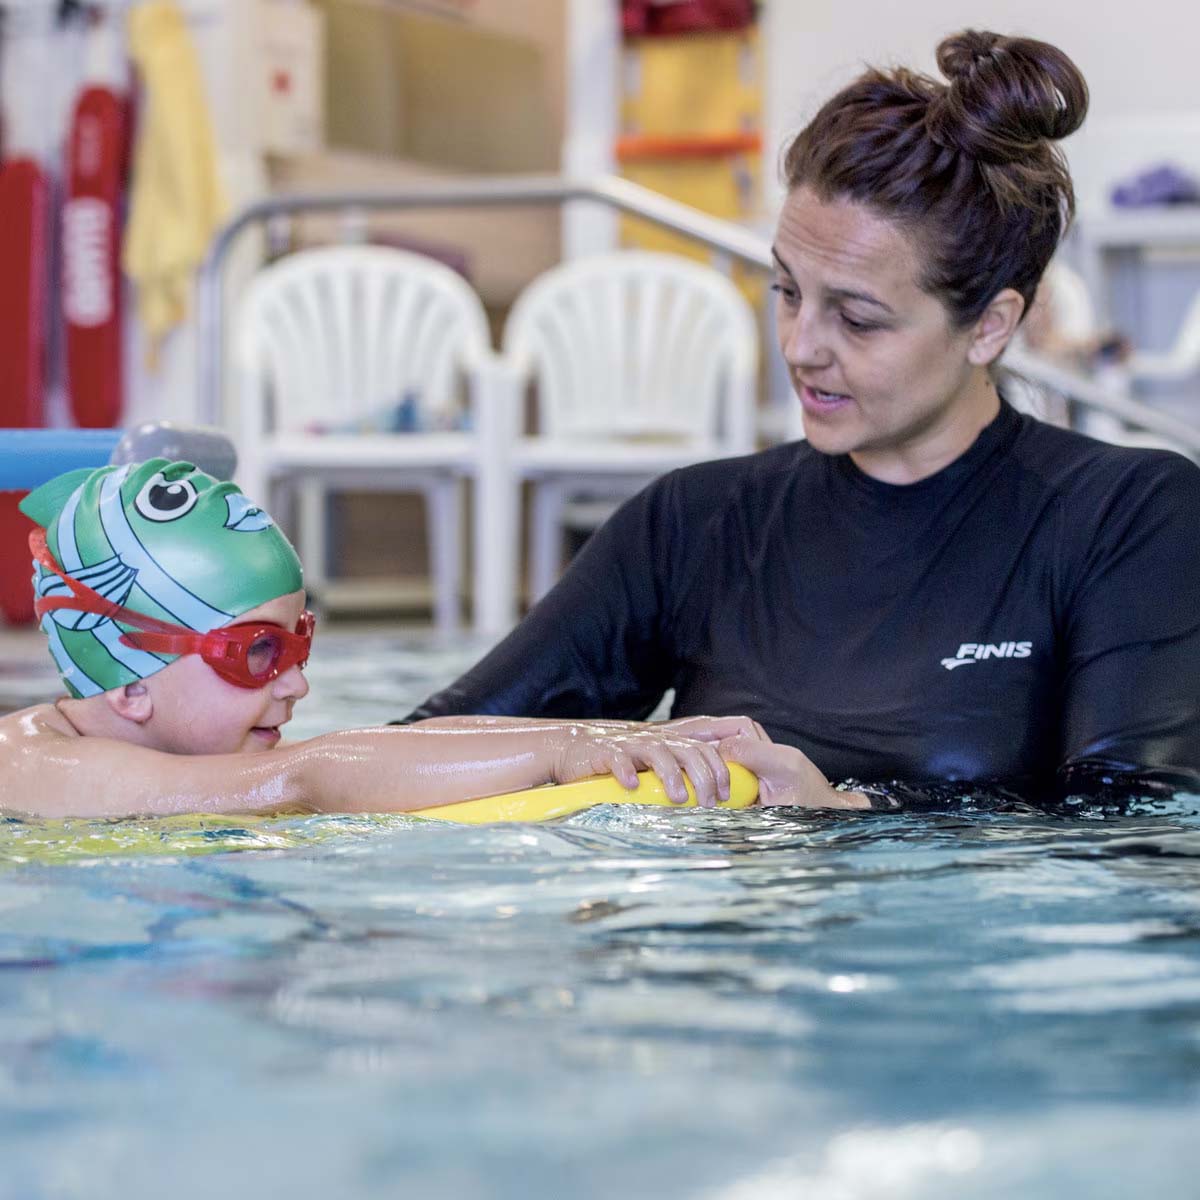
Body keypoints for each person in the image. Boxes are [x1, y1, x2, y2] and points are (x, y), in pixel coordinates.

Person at [403, 29, 1200, 804]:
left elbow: (1140, 828)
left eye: (856, 319)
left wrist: (851, 814)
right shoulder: (695, 523)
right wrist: (572, 747)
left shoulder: (1124, 517)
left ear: (990, 326)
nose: (800, 345)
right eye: (786, 291)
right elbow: (422, 747)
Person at [0, 458, 853, 819]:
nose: (295, 683)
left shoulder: (174, 737)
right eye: (258, 652)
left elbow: (374, 748)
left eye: (299, 641)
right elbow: (308, 776)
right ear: (130, 680)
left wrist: (610, 738)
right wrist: (563, 755)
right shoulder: (32, 767)